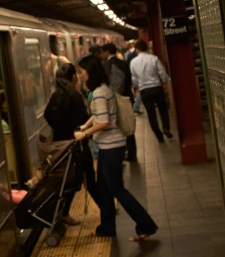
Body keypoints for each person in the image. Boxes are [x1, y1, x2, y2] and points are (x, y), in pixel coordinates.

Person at [74, 55, 157, 241]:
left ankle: (146, 224)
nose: (80, 75)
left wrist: (84, 134)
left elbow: (103, 121)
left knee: (117, 190)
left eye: (82, 71)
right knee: (104, 189)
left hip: (111, 147)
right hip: (108, 147)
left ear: (90, 71)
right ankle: (106, 227)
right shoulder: (104, 89)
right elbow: (98, 114)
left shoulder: (99, 93)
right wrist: (86, 126)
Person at [43, 63, 99, 225]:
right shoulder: (74, 95)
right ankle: (104, 206)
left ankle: (64, 213)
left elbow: (47, 115)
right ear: (73, 77)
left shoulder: (56, 96)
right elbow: (83, 119)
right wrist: (75, 130)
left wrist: (61, 130)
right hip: (77, 144)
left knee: (69, 180)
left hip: (61, 145)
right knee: (87, 177)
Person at [130, 39, 173, 143]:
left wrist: (138, 86)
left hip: (145, 91)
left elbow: (134, 79)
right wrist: (165, 83)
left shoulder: (133, 62)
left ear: (137, 49)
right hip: (156, 88)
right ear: (146, 48)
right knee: (163, 110)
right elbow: (162, 73)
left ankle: (159, 136)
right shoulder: (154, 58)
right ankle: (166, 127)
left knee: (151, 114)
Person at [103, 43, 138, 162]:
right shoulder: (124, 63)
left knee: (116, 127)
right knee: (128, 125)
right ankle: (132, 153)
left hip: (115, 100)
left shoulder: (106, 65)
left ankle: (121, 153)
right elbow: (129, 81)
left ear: (107, 52)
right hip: (127, 98)